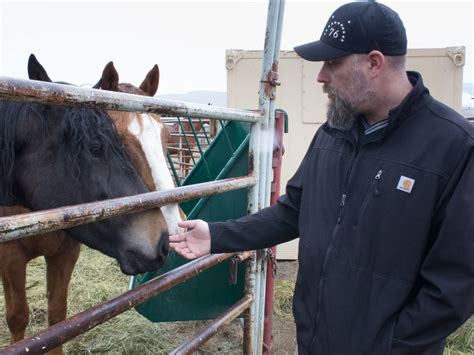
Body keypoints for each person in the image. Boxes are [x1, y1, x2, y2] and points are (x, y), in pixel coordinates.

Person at [170, 2, 474, 354]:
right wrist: (219, 235)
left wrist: (390, 346)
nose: (321, 76)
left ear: (374, 63)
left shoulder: (452, 146)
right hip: (313, 343)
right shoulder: (333, 132)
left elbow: (456, 283)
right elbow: (293, 211)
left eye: (334, 62)